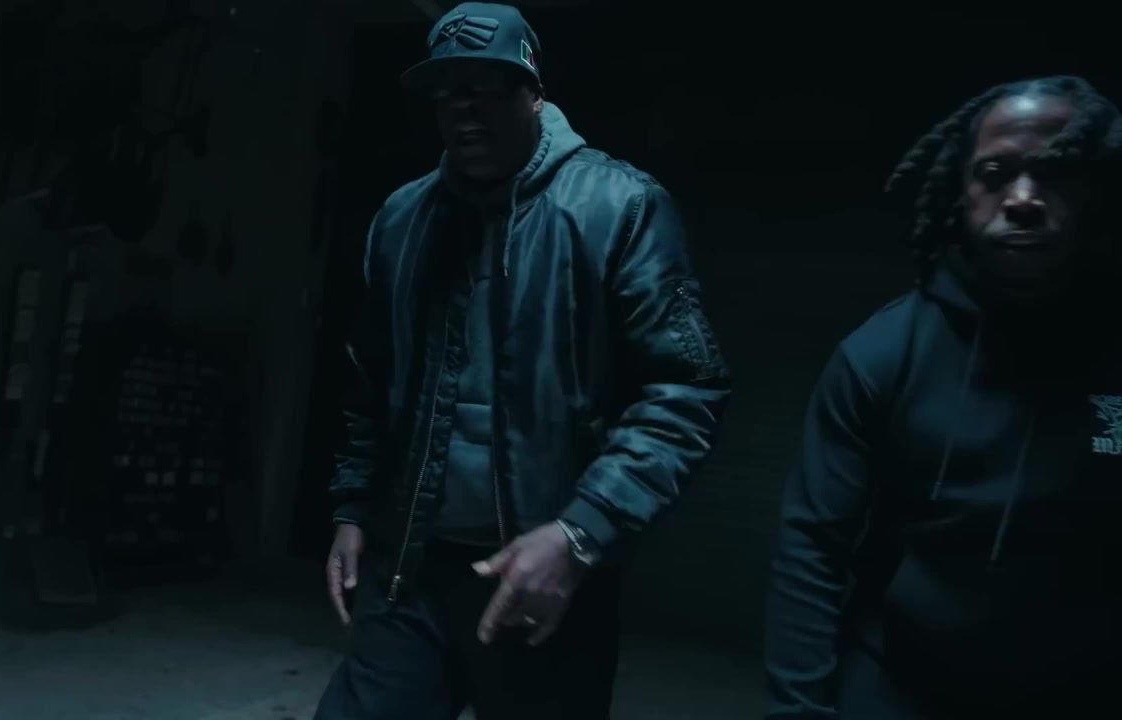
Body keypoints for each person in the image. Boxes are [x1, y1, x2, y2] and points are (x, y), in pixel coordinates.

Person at [313, 3, 731, 719]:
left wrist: (580, 533)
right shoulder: (402, 221)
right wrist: (352, 509)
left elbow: (686, 391)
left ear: (533, 92)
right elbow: (369, 384)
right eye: (446, 92)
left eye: (486, 87)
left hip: (547, 581)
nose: (464, 110)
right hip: (409, 569)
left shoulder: (619, 208)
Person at [764, 75, 1122, 719]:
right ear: (962, 190)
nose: (1023, 197)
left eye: (1054, 172)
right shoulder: (883, 354)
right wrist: (798, 712)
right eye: (996, 172)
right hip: (901, 679)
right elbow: (811, 546)